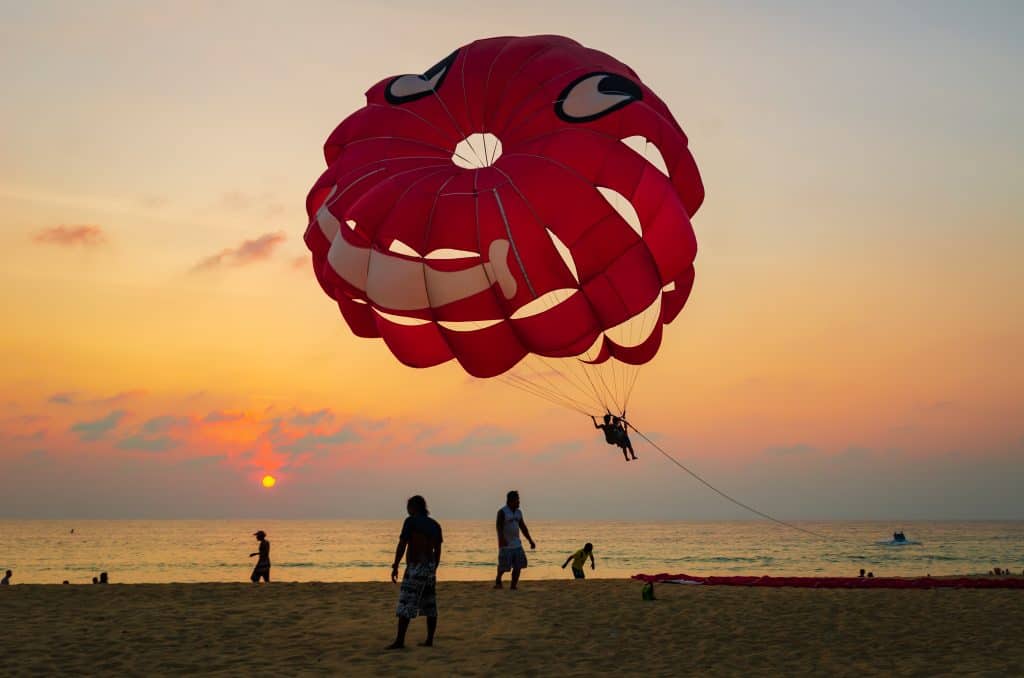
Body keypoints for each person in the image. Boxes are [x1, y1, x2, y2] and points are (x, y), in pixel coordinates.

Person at [387, 495, 443, 650]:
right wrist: (434, 567)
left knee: (406, 603)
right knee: (430, 604)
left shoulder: (410, 521)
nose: (407, 510)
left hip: (415, 567)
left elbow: (402, 544)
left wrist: (395, 565)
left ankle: (400, 641)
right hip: (429, 568)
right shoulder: (435, 525)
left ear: (413, 507)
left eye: (408, 507)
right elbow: (438, 550)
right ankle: (429, 640)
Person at [495, 490, 535, 590]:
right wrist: (502, 539)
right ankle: (498, 580)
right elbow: (499, 527)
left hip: (517, 544)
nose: (519, 502)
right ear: (511, 501)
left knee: (518, 565)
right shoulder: (502, 512)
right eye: (517, 500)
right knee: (504, 567)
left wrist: (530, 540)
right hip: (506, 545)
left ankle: (513, 585)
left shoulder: (518, 513)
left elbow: (523, 527)